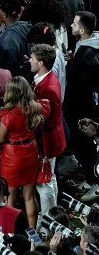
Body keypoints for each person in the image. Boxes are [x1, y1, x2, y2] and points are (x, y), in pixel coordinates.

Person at [0, 76, 47, 226]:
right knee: (30, 196)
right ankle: (33, 233)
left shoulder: (9, 115)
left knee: (10, 198)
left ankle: (12, 233)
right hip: (31, 152)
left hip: (11, 157)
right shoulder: (35, 109)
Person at [66, 11, 99, 201]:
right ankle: (89, 176)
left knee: (85, 145)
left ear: (82, 30)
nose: (71, 25)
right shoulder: (87, 46)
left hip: (82, 109)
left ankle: (96, 181)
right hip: (84, 106)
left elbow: (82, 86)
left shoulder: (86, 55)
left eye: (74, 23)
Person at [31, 44, 67, 216]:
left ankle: (48, 222)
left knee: (43, 182)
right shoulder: (45, 78)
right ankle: (54, 215)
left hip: (47, 141)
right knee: (49, 178)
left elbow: (49, 120)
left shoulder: (48, 87)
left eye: (32, 58)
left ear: (41, 63)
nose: (29, 60)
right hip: (50, 139)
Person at [0, 0, 33, 76]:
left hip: (15, 79)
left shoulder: (5, 39)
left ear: (4, 15)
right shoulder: (30, 27)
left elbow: (3, 69)